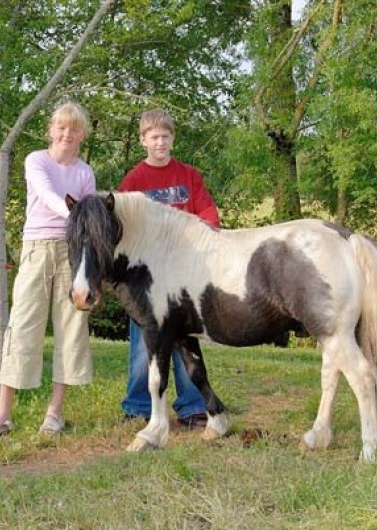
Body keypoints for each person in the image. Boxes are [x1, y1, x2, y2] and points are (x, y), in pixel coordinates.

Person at [0, 101, 96, 437]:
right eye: (61, 127)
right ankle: (3, 416)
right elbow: (45, 195)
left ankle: (54, 414)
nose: (67, 134)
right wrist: (75, 214)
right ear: (51, 130)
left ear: (82, 135)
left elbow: (90, 220)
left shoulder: (85, 173)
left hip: (71, 255)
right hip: (36, 251)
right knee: (22, 326)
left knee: (71, 328)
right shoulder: (36, 160)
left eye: (74, 129)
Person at [119, 108, 221, 429]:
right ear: (143, 140)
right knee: (144, 343)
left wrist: (208, 242)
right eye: (154, 137)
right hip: (148, 278)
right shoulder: (134, 181)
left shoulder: (188, 175)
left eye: (165, 136)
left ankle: (192, 406)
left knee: (185, 338)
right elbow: (123, 227)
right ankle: (138, 406)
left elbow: (207, 214)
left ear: (172, 139)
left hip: (184, 272)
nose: (160, 142)